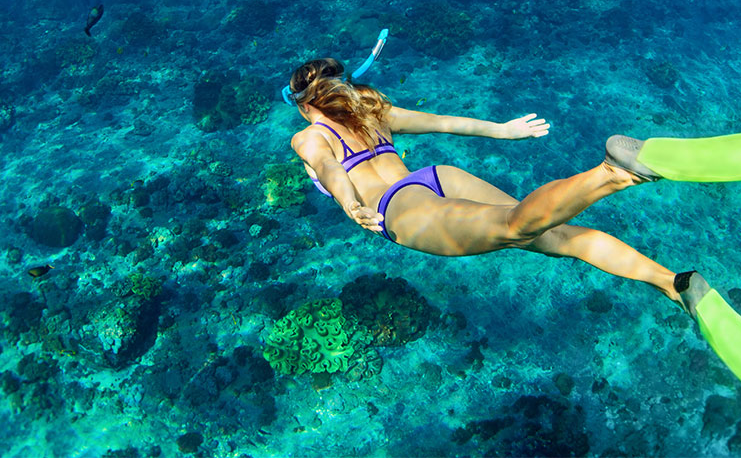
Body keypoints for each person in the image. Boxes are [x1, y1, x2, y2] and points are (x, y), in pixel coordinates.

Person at [287, 57, 686, 307]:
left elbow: (327, 167)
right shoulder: (375, 112)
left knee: (515, 226)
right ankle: (672, 282)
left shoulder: (309, 135)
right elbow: (445, 123)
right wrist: (502, 130)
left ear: (305, 105)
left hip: (400, 208)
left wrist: (349, 204)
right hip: (437, 178)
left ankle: (613, 173)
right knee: (555, 236)